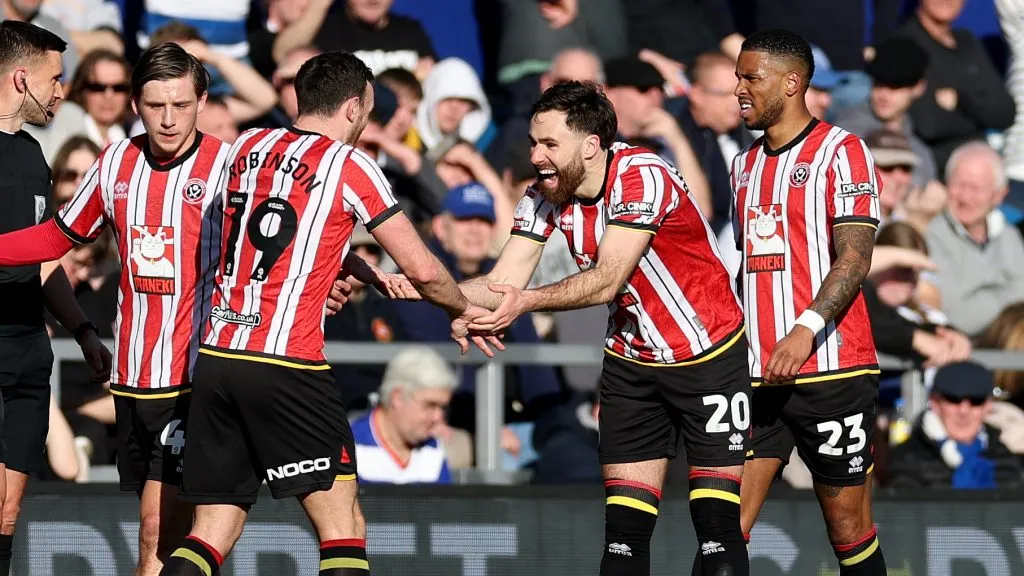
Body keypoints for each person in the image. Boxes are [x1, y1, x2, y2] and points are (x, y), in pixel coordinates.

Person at [0, 42, 364, 575]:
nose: (168, 120)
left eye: (180, 105)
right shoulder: (117, 162)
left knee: (162, 531)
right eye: (155, 106)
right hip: (134, 378)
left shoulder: (231, 165)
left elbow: (289, 233)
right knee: (165, 538)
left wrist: (334, 274)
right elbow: (57, 238)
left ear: (201, 100)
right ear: (135, 106)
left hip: (199, 375)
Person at [159, 51, 496, 576]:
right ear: (354, 106)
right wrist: (463, 308)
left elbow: (268, 232)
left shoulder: (247, 146)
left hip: (220, 357)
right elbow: (424, 270)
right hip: (288, 363)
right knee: (343, 525)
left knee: (212, 528)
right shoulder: (352, 165)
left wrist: (344, 264)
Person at [457, 80, 751, 575]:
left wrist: (523, 303)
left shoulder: (642, 175)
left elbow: (606, 281)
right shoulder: (545, 194)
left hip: (709, 357)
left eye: (550, 144)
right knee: (622, 545)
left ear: (591, 145)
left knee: (718, 534)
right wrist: (407, 282)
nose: (536, 155)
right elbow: (499, 282)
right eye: (533, 143)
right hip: (631, 365)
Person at [728, 29, 886, 575]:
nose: (739, 90)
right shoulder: (742, 166)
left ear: (792, 82)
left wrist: (803, 328)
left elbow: (854, 258)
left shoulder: (843, 152)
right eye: (737, 78)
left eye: (752, 78)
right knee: (722, 526)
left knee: (846, 526)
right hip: (755, 375)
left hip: (829, 370)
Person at [0, 20, 110, 576]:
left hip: (26, 348)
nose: (62, 92)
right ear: (22, 79)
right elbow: (46, 242)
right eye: (55, 79)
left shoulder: (32, 155)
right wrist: (70, 230)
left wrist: (84, 330)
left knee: (6, 511)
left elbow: (46, 259)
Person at [351, 345, 456, 485]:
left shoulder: (432, 447)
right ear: (397, 397)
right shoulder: (351, 445)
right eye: (430, 405)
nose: (438, 417)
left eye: (442, 408)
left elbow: (444, 505)